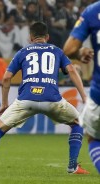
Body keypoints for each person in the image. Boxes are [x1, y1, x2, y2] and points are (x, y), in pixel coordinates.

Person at [0, 22, 89, 174]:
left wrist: (4, 104)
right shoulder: (57, 51)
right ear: (47, 37)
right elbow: (71, 70)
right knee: (77, 123)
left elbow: (6, 78)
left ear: (30, 37)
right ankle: (72, 166)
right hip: (52, 100)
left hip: (26, 100)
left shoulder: (22, 52)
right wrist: (83, 95)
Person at [63, 1, 100, 173]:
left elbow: (69, 49)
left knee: (93, 137)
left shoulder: (92, 11)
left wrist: (79, 52)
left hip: (99, 93)